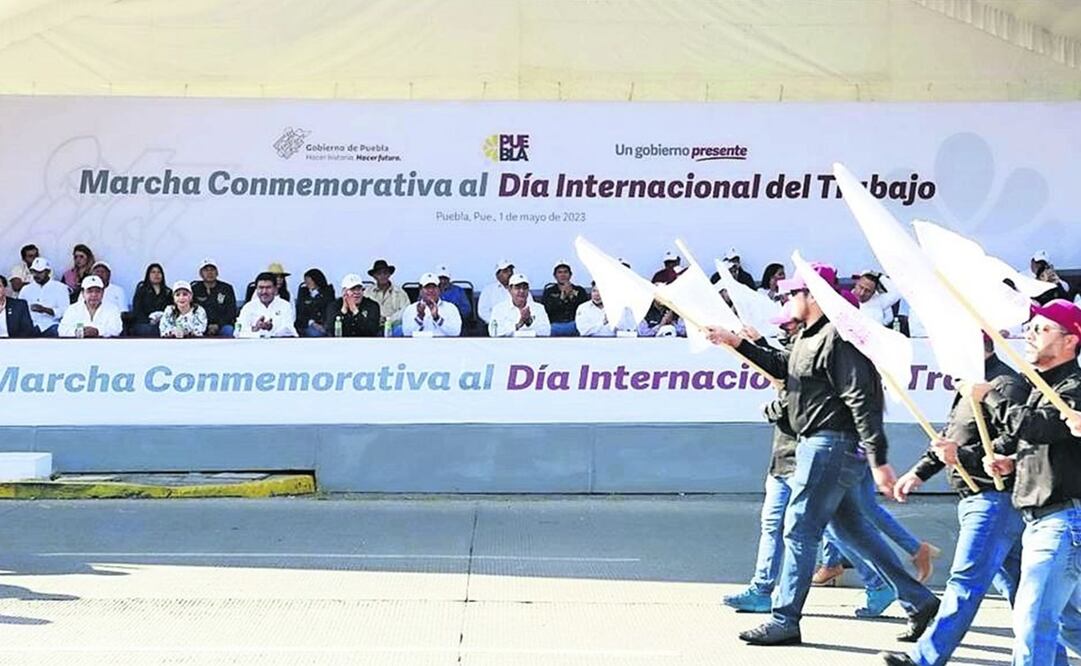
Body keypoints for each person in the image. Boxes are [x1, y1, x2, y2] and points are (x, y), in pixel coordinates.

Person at [706, 262, 939, 647]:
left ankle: (784, 618)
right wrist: (737, 342)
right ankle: (919, 601)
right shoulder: (808, 336)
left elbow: (861, 399)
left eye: (791, 293)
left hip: (829, 445)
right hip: (821, 445)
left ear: (812, 296)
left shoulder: (839, 338)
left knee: (799, 529)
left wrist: (878, 459)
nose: (785, 299)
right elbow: (784, 368)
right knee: (855, 531)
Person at [880, 334, 1070, 666]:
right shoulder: (970, 385)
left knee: (965, 582)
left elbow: (1013, 440)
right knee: (1025, 595)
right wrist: (920, 473)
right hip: (979, 498)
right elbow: (955, 436)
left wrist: (964, 457)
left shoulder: (1004, 384)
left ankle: (924, 659)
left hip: (994, 497)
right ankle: (1054, 660)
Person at [973, 300, 1081, 665]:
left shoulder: (1073, 388)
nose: (1030, 334)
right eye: (1030, 327)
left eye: (1042, 328)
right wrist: (1008, 462)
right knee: (1069, 625)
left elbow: (1038, 427)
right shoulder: (1040, 386)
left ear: (1071, 341)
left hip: (1062, 521)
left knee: (1032, 621)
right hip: (1037, 520)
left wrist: (988, 395)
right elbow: (1034, 443)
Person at [722, 304, 801, 613]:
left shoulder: (815, 350)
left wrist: (772, 410)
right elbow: (780, 365)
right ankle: (761, 589)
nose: (784, 331)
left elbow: (795, 392)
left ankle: (881, 583)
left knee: (837, 528)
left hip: (804, 454)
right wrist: (755, 343)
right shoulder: (794, 350)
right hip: (783, 456)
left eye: (787, 326)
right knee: (772, 523)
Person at [235, 272, 297, 338]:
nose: (264, 292)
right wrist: (255, 329)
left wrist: (271, 328)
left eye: (268, 288)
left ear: (275, 289)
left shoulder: (285, 305)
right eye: (261, 288)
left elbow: (289, 330)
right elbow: (237, 332)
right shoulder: (248, 307)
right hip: (254, 345)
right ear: (256, 289)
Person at [58, 275, 123, 337]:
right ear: (83, 293)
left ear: (103, 293)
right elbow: (62, 330)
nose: (94, 295)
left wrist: (97, 331)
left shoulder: (112, 309)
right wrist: (77, 332)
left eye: (97, 291)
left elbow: (116, 329)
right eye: (90, 291)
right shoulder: (73, 309)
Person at [19, 257, 68, 337]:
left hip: (51, 325)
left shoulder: (60, 288)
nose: (36, 275)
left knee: (58, 331)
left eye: (40, 272)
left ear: (48, 272)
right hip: (31, 326)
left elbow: (65, 312)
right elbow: (19, 310)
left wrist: (45, 310)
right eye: (34, 272)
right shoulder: (26, 289)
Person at [401, 273, 462, 337]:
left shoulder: (451, 308)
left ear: (439, 290)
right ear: (420, 290)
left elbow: (456, 332)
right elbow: (407, 333)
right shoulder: (411, 309)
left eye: (434, 287)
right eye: (427, 287)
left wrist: (437, 318)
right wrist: (420, 317)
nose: (431, 290)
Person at [191, 258, 237, 337]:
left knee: (229, 330)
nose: (209, 273)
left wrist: (218, 325)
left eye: (212, 269)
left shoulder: (226, 288)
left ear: (217, 272)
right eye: (206, 270)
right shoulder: (194, 289)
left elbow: (231, 311)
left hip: (222, 325)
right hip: (200, 325)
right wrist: (205, 325)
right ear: (201, 274)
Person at [541, 260, 589, 336]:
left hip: (575, 324)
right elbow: (546, 310)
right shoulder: (549, 291)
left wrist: (571, 297)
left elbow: (585, 310)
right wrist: (561, 298)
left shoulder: (580, 290)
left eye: (565, 272)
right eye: (559, 272)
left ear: (570, 275)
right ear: (555, 275)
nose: (562, 275)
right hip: (554, 325)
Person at [365, 259, 410, 328]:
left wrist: (389, 320)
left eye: (385, 273)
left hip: (393, 327)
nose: (383, 276)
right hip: (372, 328)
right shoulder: (367, 293)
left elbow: (406, 312)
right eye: (379, 273)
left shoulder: (399, 292)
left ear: (389, 274)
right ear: (374, 276)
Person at [131, 263, 172, 337]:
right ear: (148, 275)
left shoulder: (168, 292)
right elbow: (137, 310)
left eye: (159, 272)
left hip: (164, 323)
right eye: (153, 272)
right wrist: (149, 320)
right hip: (145, 324)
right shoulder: (141, 291)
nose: (156, 275)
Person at [294, 269, 335, 337]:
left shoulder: (328, 292)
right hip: (308, 324)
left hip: (325, 324)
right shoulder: (303, 293)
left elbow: (330, 310)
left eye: (309, 281)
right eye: (305, 281)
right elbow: (301, 312)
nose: (307, 283)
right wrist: (312, 323)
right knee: (315, 333)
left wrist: (324, 325)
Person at [478, 259, 516, 324]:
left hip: (518, 326)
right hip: (496, 325)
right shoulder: (488, 290)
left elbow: (531, 307)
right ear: (497, 275)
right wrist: (497, 322)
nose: (510, 273)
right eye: (505, 271)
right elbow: (483, 312)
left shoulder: (522, 289)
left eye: (511, 271)